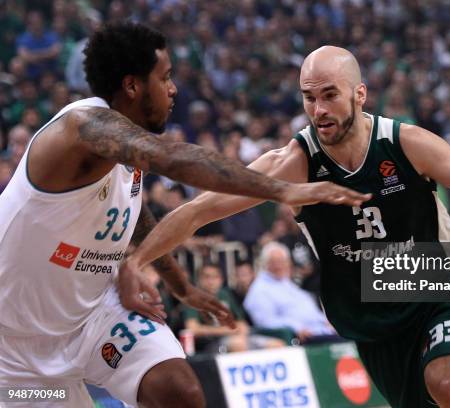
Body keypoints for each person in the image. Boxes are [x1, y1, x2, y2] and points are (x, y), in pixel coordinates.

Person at [122, 46, 450, 407]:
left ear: (359, 94)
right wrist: (138, 262)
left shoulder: (407, 144)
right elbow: (200, 210)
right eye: (308, 97)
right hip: (369, 312)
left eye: (329, 95)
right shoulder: (292, 165)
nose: (318, 109)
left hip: (437, 283)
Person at [0, 24, 369, 408]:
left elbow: (133, 219)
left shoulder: (121, 151)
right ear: (132, 86)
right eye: (165, 78)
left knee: (181, 392)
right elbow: (175, 159)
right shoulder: (83, 129)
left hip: (96, 316)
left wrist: (181, 286)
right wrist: (284, 189)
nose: (173, 88)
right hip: (16, 348)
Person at [243, 242, 336, 343]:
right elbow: (265, 322)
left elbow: (308, 309)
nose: (279, 266)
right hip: (299, 337)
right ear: (265, 264)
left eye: (282, 261)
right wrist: (296, 327)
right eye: (274, 262)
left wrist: (327, 321)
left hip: (321, 330)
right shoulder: (259, 289)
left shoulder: (286, 283)